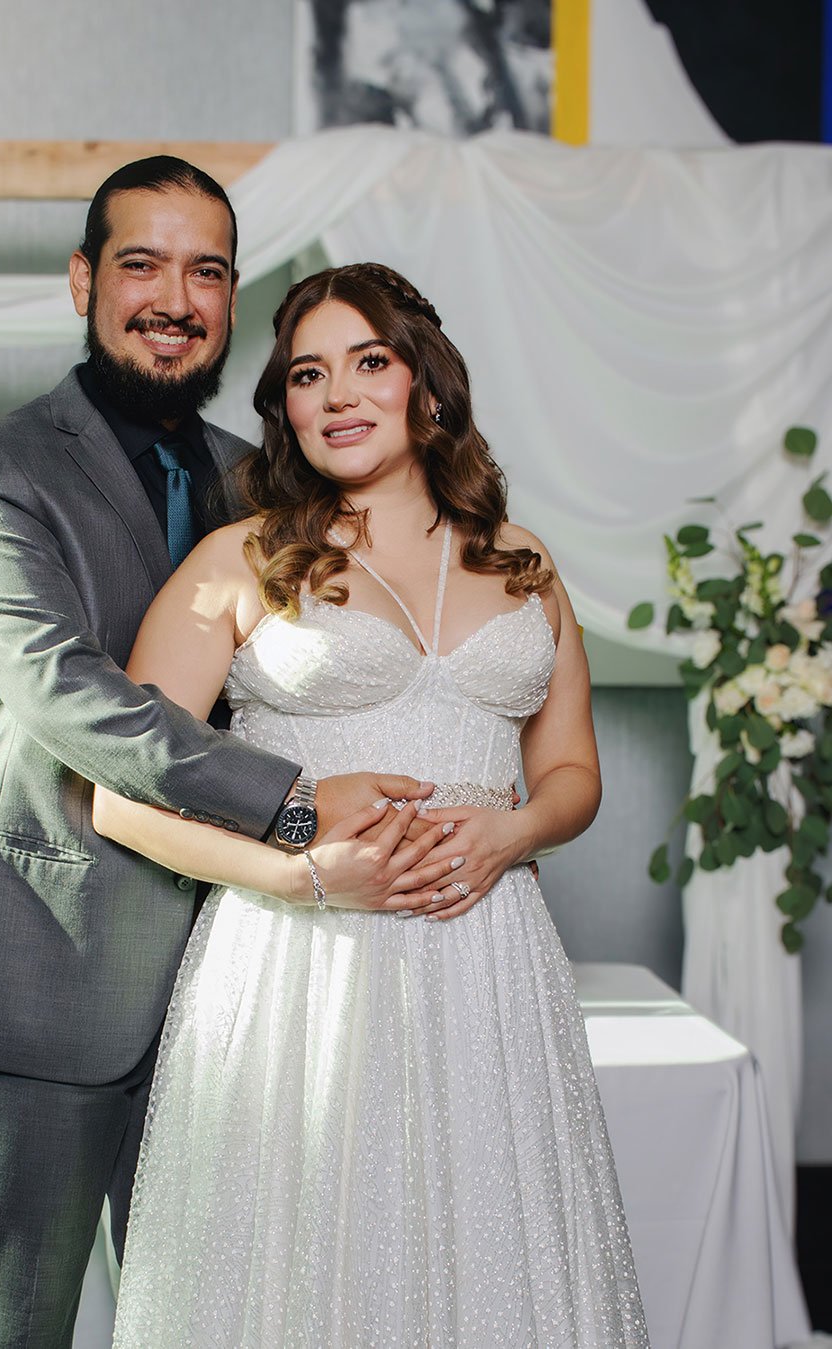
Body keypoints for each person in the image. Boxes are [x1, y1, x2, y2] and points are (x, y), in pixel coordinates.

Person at [0, 161, 441, 1349]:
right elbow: (69, 694)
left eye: (206, 271)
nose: (174, 298)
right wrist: (296, 804)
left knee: (220, 1321)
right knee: (13, 1331)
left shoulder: (270, 485)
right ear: (83, 279)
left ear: (233, 298)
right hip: (49, 972)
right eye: (141, 263)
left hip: (243, 980)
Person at [94, 263, 650, 1345]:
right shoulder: (239, 561)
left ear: (426, 385)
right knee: (307, 1265)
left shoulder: (524, 561)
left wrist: (514, 832)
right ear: (285, 407)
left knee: (493, 1256)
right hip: (301, 963)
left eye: (369, 362)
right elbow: (120, 798)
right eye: (308, 374)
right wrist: (300, 872)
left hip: (488, 959)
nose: (337, 395)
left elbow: (573, 774)